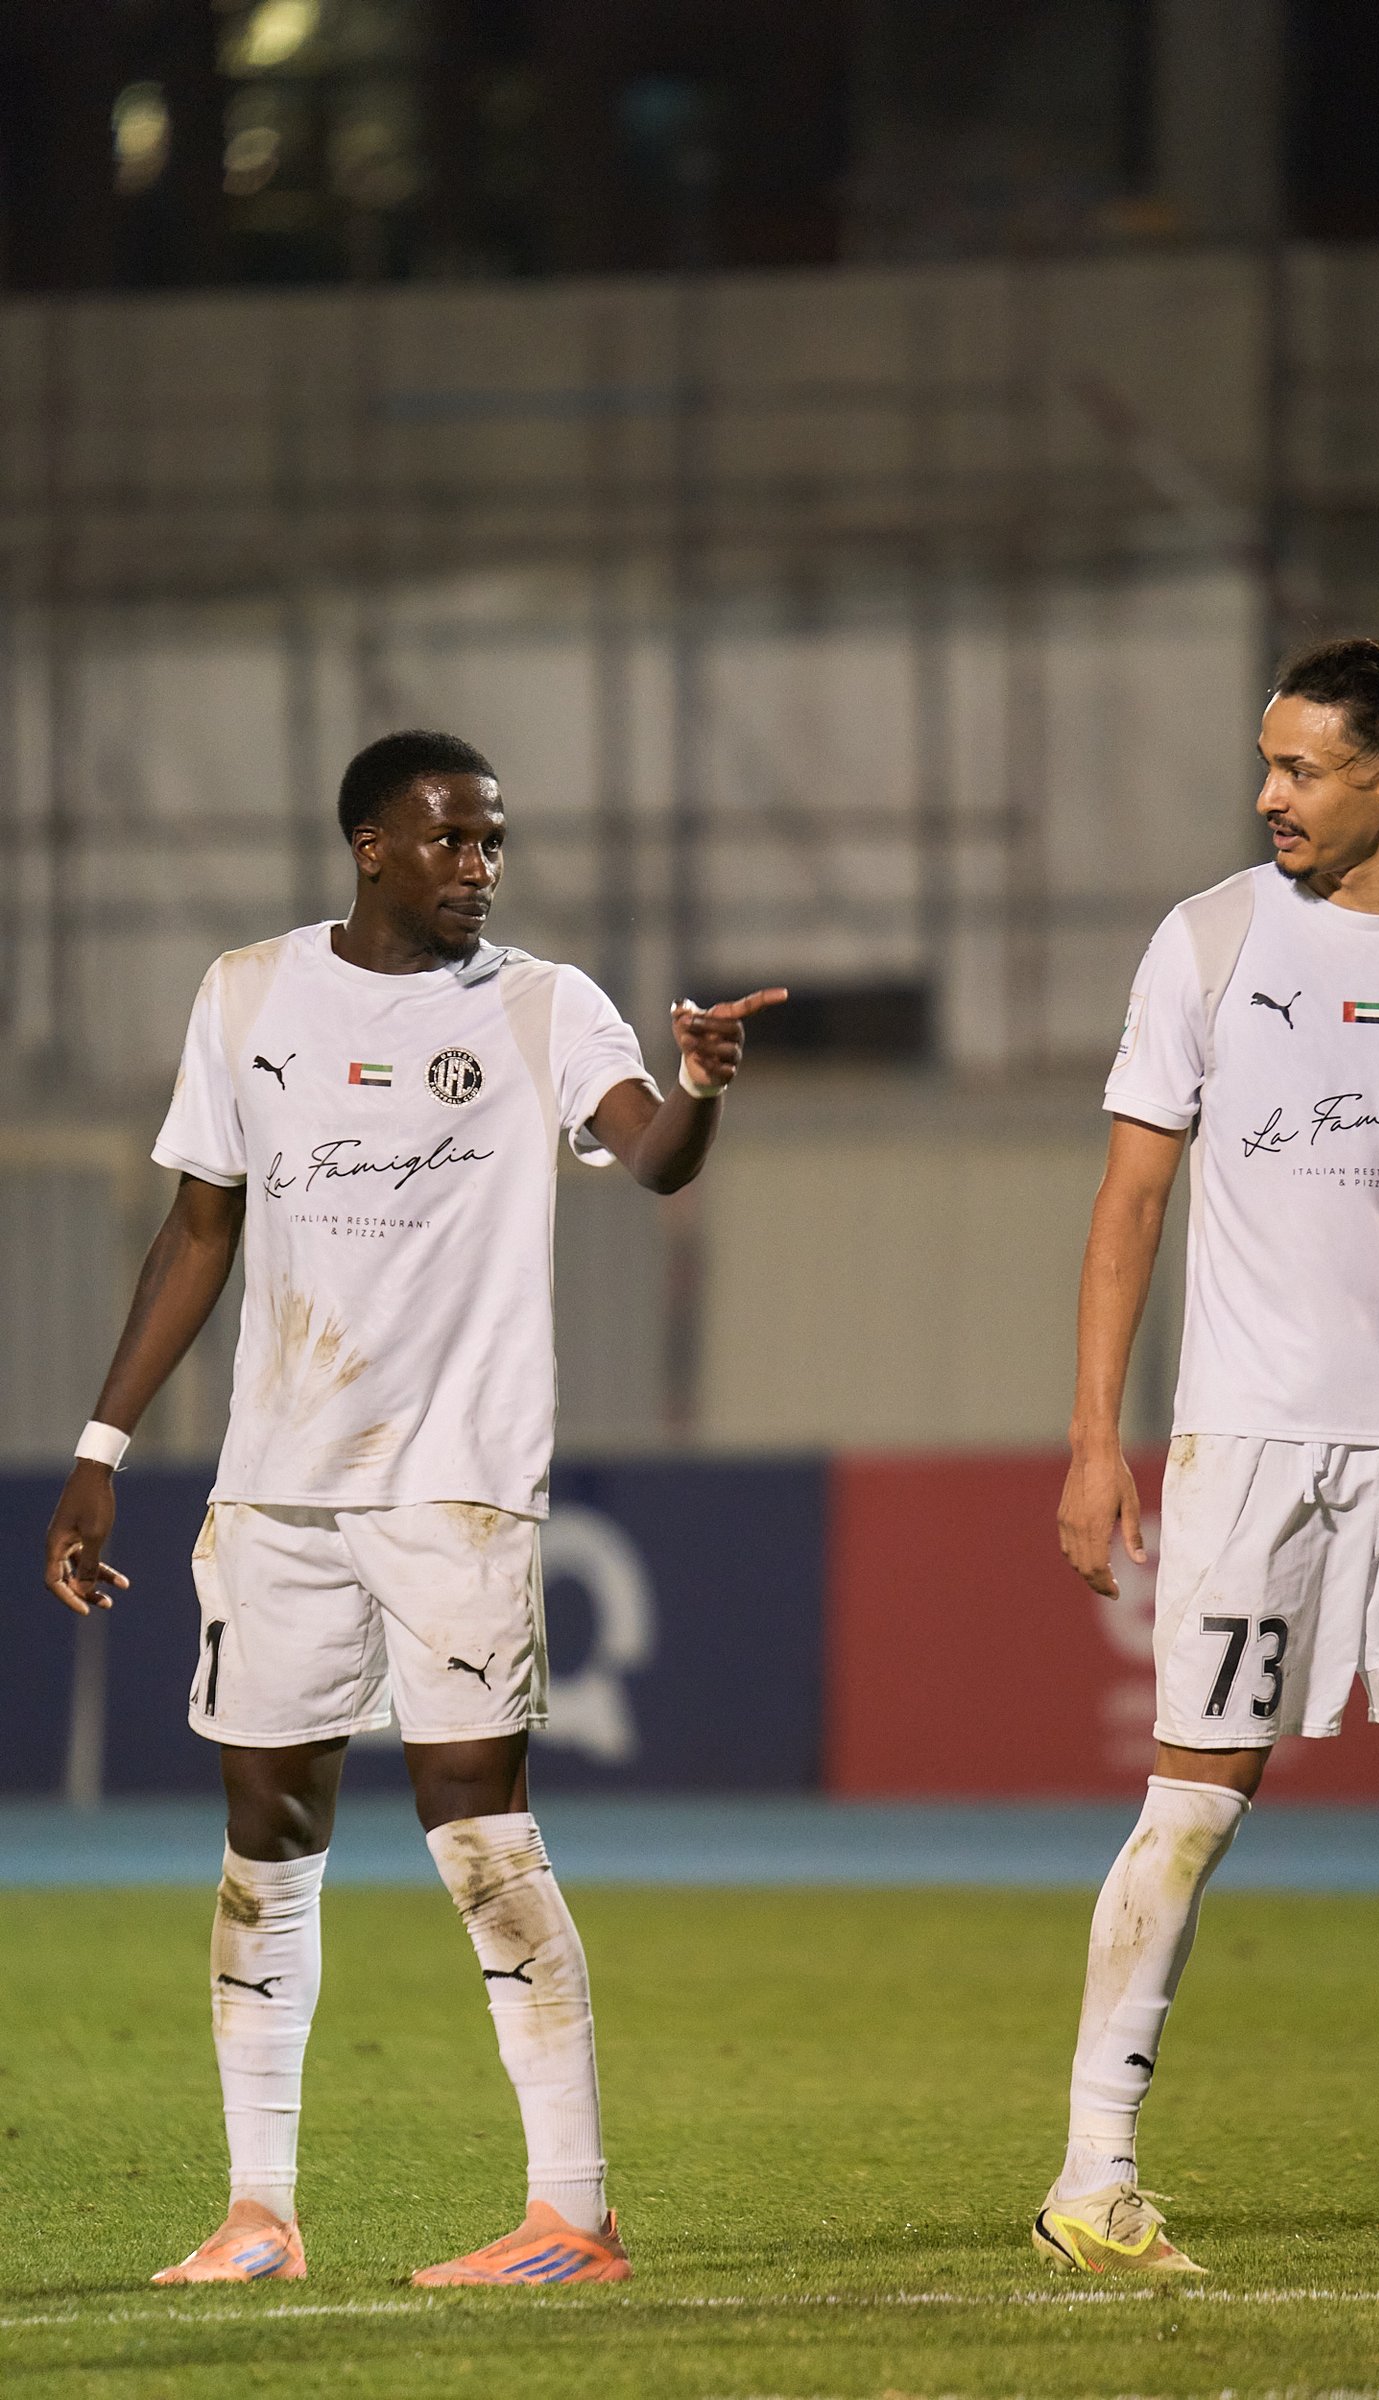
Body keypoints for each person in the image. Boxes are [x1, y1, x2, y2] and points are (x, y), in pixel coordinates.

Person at [43, 728, 785, 2289]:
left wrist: (700, 1086)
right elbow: (197, 1229)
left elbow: (653, 1159)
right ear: (369, 845)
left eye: (493, 840)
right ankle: (259, 2214)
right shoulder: (248, 995)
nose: (480, 866)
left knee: (479, 1826)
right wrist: (103, 1444)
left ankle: (572, 2213)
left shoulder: (543, 1004)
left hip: (457, 1482)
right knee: (266, 1836)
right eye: (451, 838)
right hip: (278, 1485)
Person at [1039, 638, 1379, 2280]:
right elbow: (1131, 1199)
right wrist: (1095, 1440)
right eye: (1265, 766)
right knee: (1196, 1801)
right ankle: (1092, 2177)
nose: (1267, 797)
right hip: (1251, 1443)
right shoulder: (1209, 941)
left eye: (1298, 769)